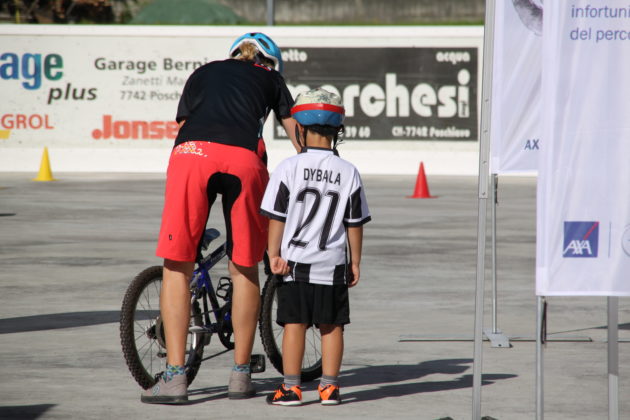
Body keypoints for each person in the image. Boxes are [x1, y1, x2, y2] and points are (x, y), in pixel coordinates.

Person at [141, 32, 300, 404]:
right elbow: (299, 139)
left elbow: (185, 125)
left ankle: (175, 377)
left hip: (192, 154)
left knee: (177, 266)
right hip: (244, 159)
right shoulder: (272, 79)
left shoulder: (203, 72)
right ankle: (241, 375)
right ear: (270, 62)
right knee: (245, 266)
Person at [259, 87, 371, 406]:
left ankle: (291, 389)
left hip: (294, 264)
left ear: (300, 128)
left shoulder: (288, 168)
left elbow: (277, 217)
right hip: (332, 265)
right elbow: (354, 223)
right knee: (332, 326)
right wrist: (355, 261)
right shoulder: (348, 172)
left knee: (294, 324)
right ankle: (330, 388)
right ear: (338, 130)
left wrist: (273, 253)